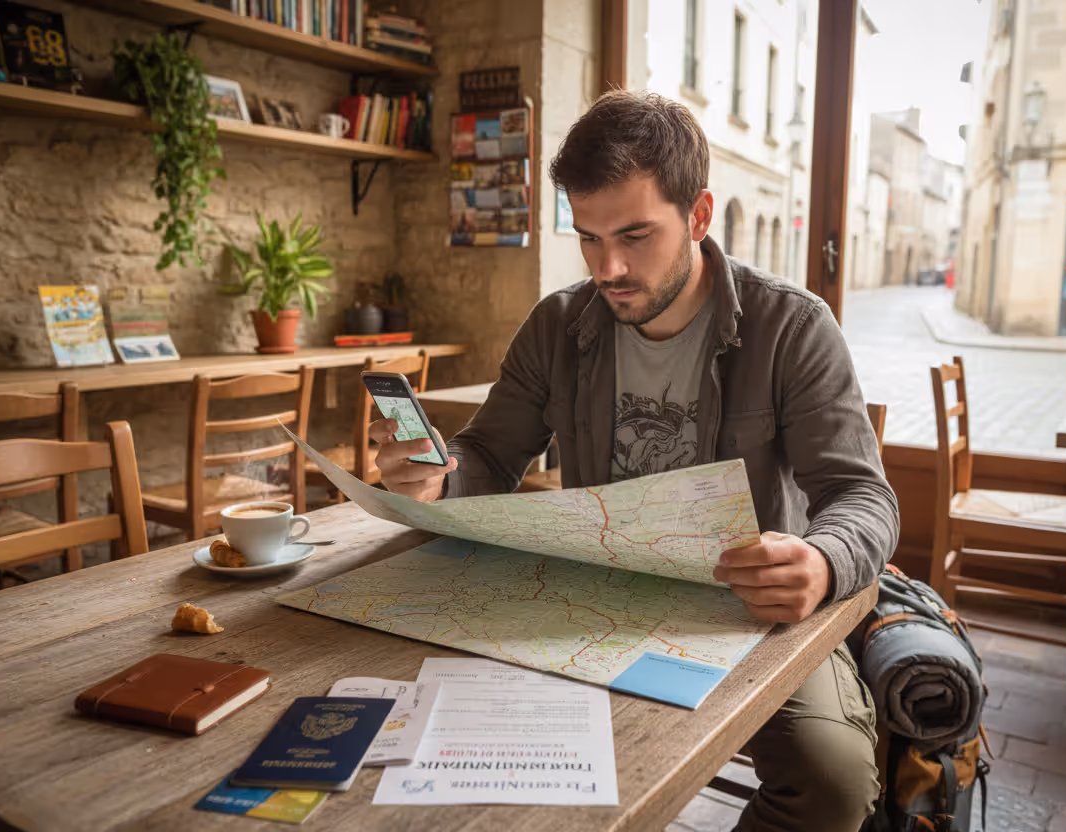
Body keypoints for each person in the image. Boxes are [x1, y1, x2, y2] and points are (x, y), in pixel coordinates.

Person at [371, 90, 899, 832]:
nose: (609, 267)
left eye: (635, 235)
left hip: (745, 612)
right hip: (596, 596)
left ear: (700, 215)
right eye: (588, 238)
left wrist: (819, 559)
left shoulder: (792, 326)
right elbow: (489, 453)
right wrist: (439, 475)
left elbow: (863, 497)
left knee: (833, 778)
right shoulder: (557, 325)